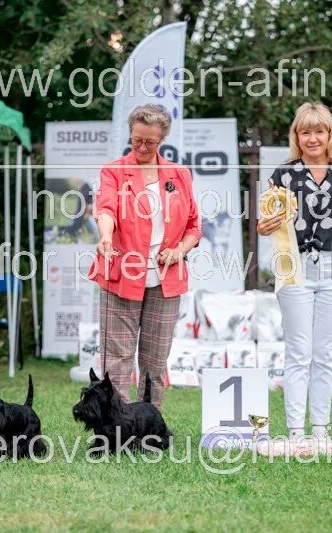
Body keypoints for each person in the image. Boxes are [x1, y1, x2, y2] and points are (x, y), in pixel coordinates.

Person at [257, 101, 332, 444]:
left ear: (330, 134)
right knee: (298, 351)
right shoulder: (283, 175)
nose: (313, 138)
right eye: (306, 132)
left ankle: (320, 430)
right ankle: (295, 431)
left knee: (325, 353)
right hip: (294, 267)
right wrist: (263, 225)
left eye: (319, 131)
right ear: (296, 136)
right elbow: (265, 221)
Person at [88, 104, 201, 410]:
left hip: (166, 280)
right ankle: (116, 424)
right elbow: (106, 208)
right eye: (136, 139)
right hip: (121, 275)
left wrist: (179, 250)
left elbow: (194, 225)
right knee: (116, 360)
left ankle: (150, 423)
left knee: (156, 362)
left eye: (150, 142)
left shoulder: (179, 175)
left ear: (162, 140)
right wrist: (106, 236)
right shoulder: (114, 171)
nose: (141, 147)